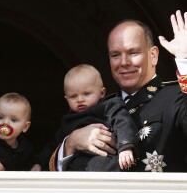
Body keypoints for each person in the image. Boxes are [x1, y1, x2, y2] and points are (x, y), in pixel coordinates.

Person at [50, 10, 187, 173]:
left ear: (153, 56)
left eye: (133, 53)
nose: (123, 62)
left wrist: (184, 60)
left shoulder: (175, 97)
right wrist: (72, 142)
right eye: (115, 55)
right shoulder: (98, 105)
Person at [33, 64, 139, 172]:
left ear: (102, 93)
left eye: (86, 94)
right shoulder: (68, 120)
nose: (80, 99)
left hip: (105, 158)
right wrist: (39, 163)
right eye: (73, 96)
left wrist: (125, 146)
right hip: (77, 168)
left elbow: (123, 122)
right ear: (66, 99)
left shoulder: (108, 106)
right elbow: (54, 145)